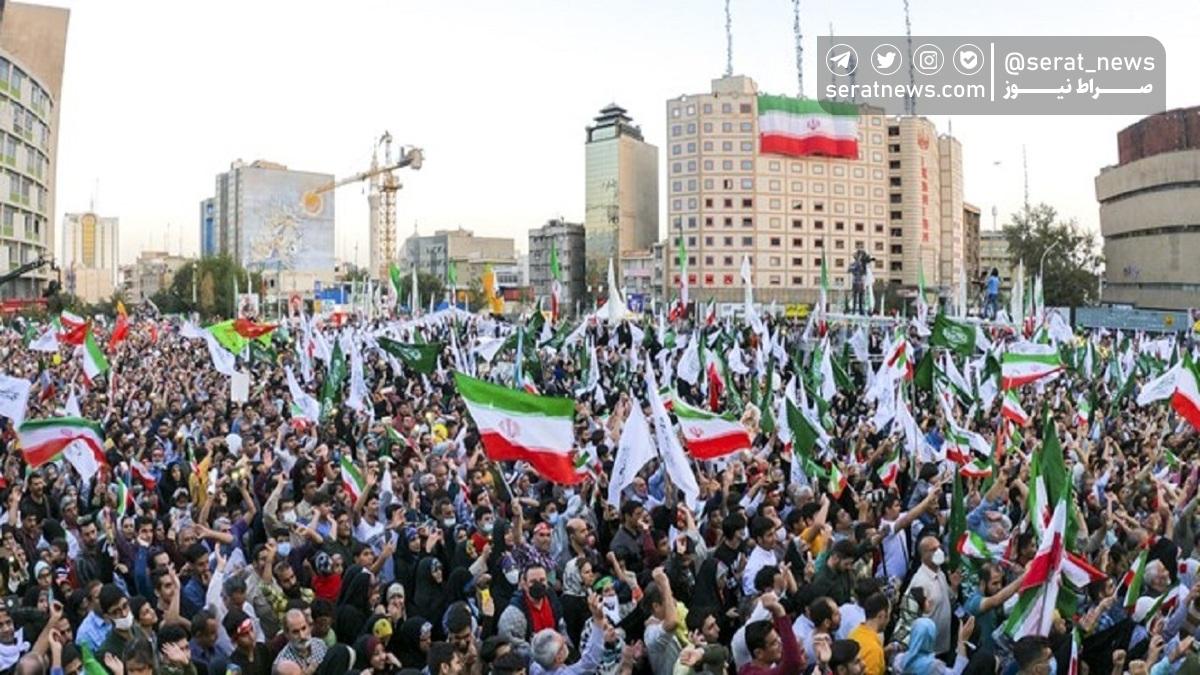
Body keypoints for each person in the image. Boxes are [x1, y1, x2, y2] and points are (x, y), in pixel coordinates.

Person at [740, 592, 803, 675]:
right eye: (774, 643)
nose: (780, 643)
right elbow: (793, 662)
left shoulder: (752, 667)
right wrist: (780, 613)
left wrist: (774, 612)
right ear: (759, 653)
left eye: (778, 639)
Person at [847, 593, 889, 675]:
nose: (888, 620)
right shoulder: (874, 650)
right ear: (881, 615)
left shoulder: (854, 633)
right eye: (888, 616)